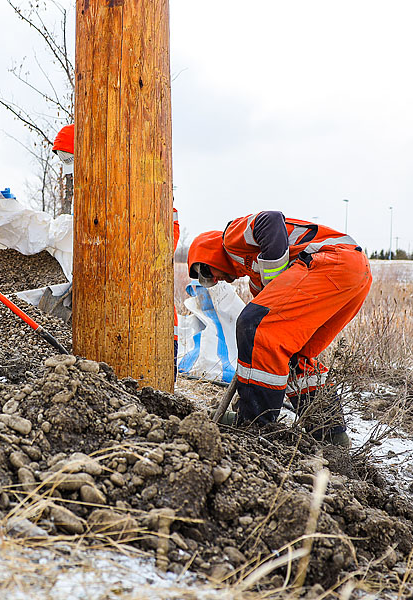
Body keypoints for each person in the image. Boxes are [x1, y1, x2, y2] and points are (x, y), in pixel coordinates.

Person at [188, 211, 371, 446]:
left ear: (210, 254)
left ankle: (255, 425)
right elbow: (265, 345)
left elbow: (271, 220)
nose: (213, 281)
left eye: (205, 273)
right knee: (292, 352)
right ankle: (331, 436)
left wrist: (272, 280)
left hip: (332, 261)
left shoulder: (232, 238)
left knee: (254, 325)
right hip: (353, 275)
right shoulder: (256, 277)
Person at [51, 124, 180, 380]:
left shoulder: (130, 179)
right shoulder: (90, 188)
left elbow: (166, 235)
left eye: (70, 158)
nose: (69, 166)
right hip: (112, 312)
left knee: (153, 385)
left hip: (148, 310)